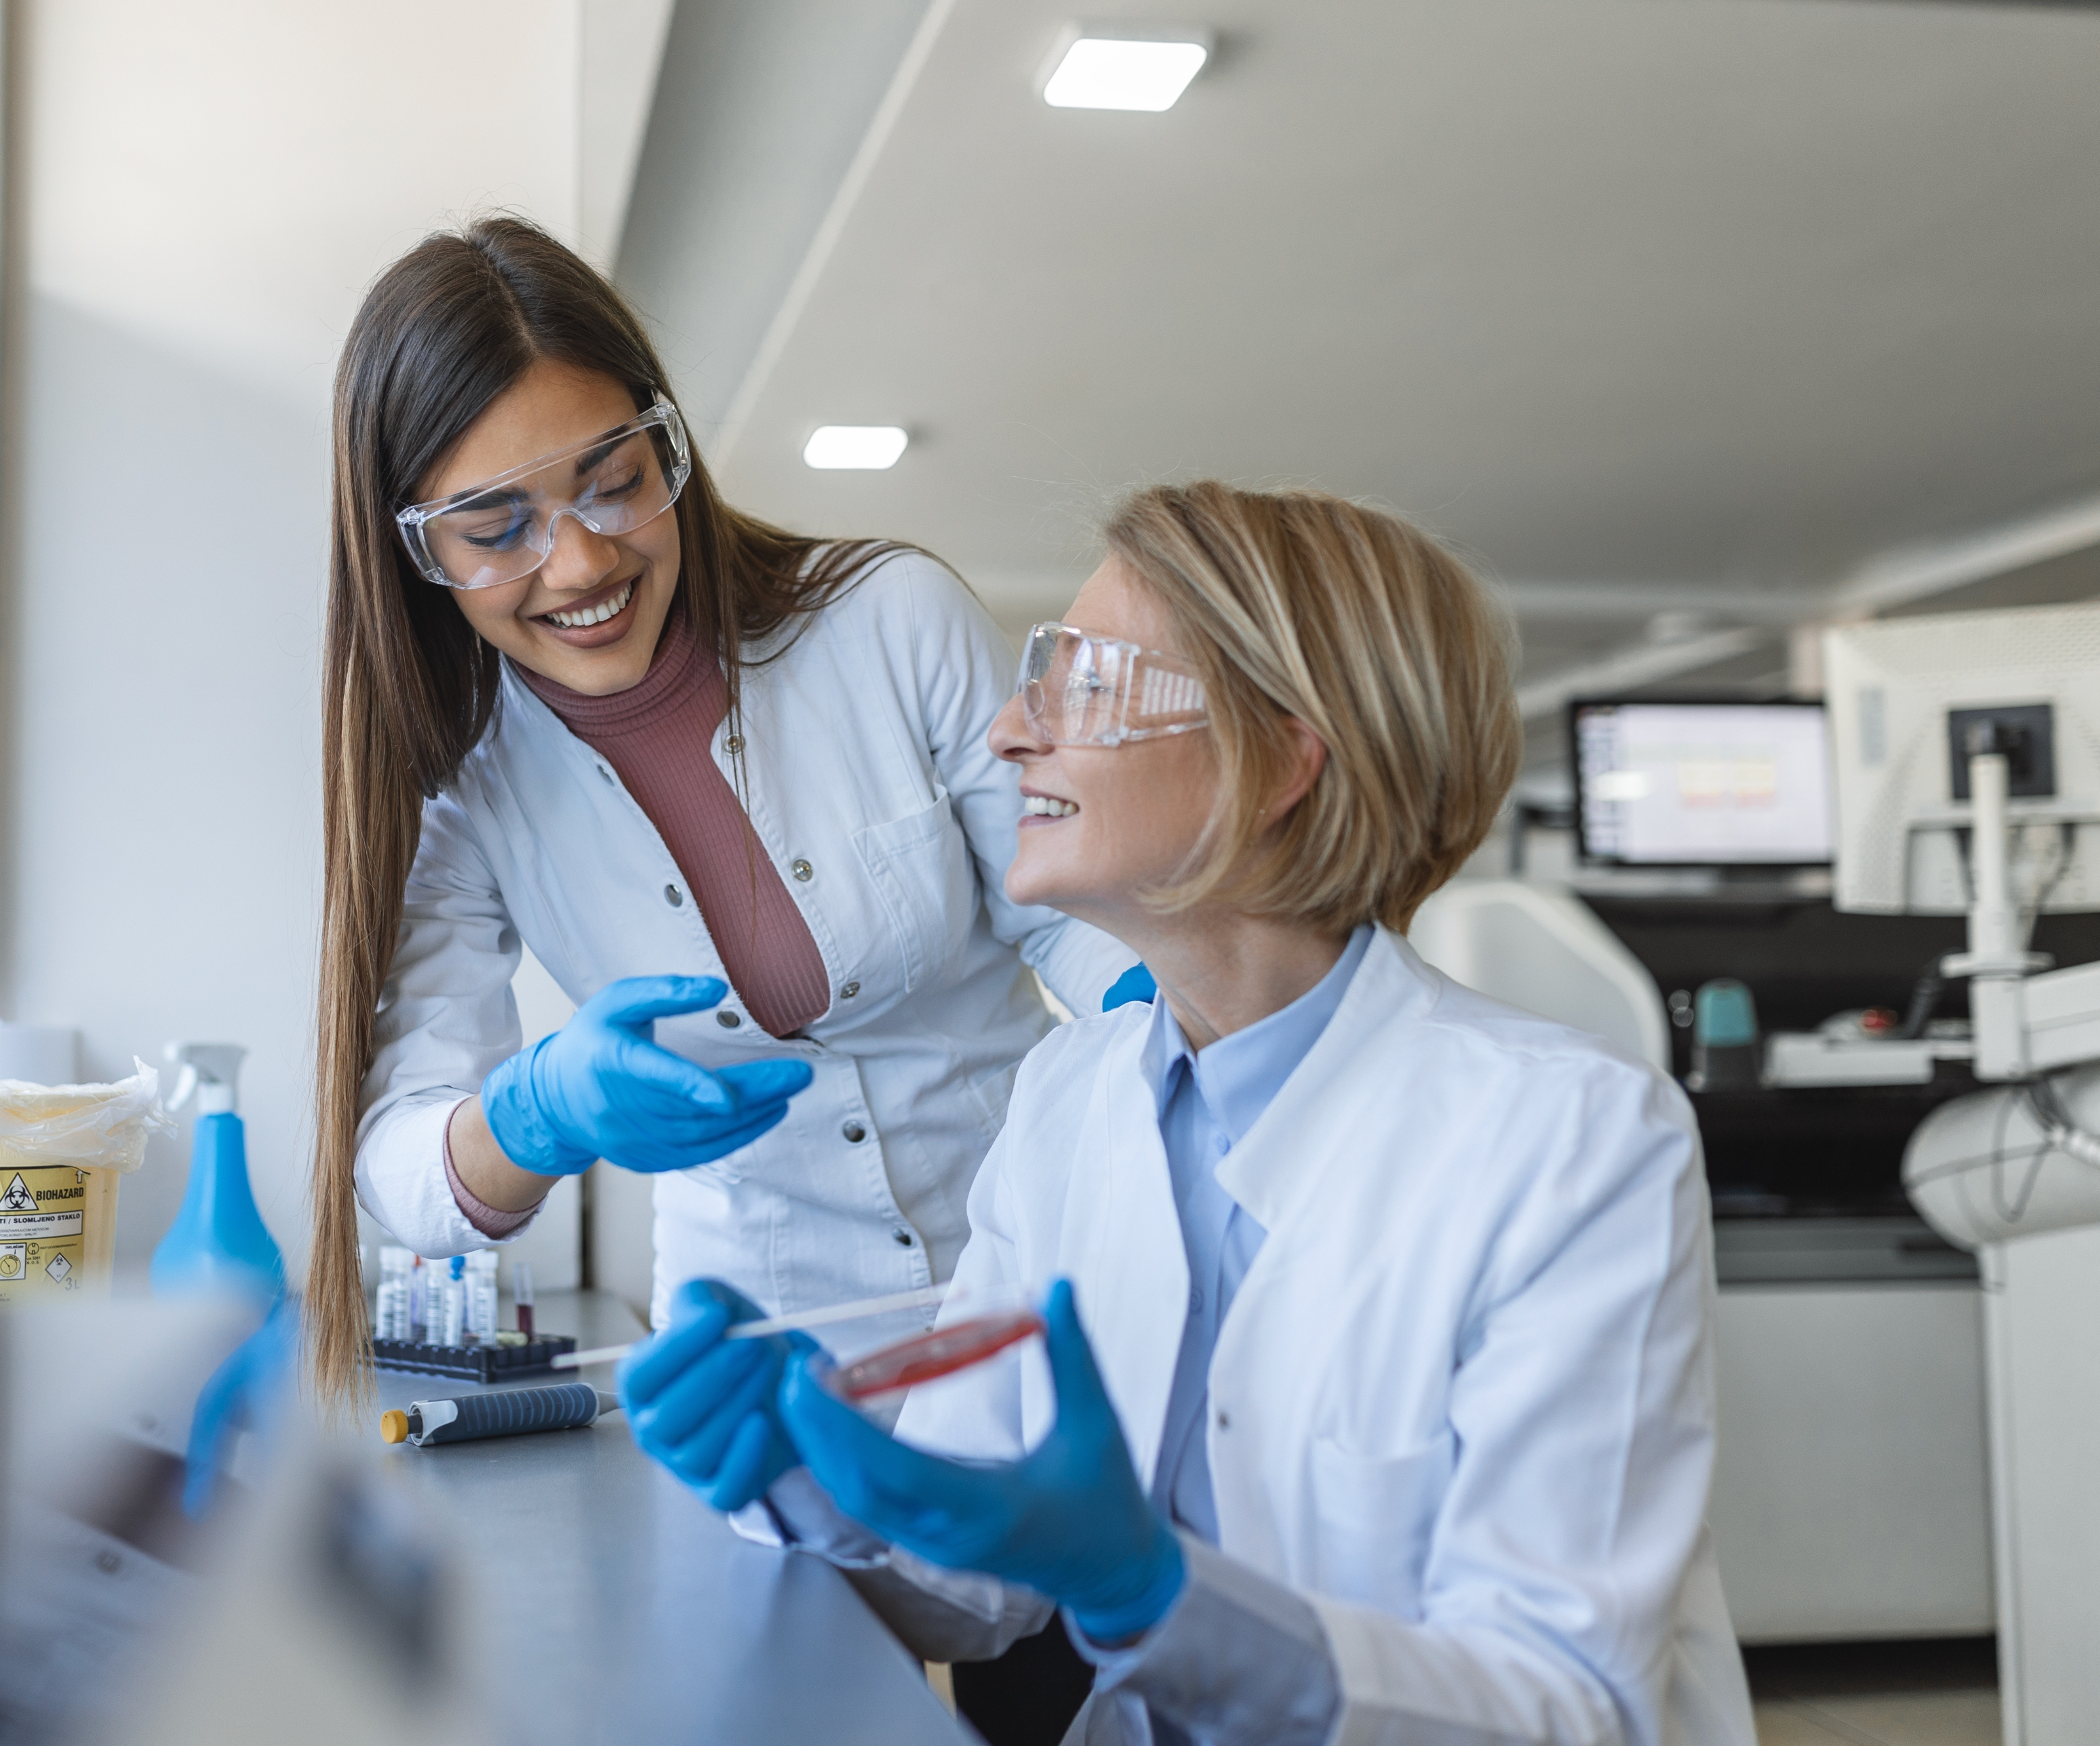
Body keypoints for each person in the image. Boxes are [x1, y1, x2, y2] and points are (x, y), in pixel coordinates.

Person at [621, 483, 1753, 1744]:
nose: (1005, 733)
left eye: (1080, 682)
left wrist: (1153, 1596)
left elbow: (1567, 1707)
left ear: (1278, 759)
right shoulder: (1068, 1095)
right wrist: (824, 1485)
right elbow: (980, 1594)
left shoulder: (1573, 1139)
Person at [307, 217, 1135, 1405]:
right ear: (413, 553)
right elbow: (402, 1161)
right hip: (768, 1355)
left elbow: (1075, 912)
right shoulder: (459, 784)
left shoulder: (889, 619)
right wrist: (538, 1115)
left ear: (670, 450)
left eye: (615, 484)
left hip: (1047, 1278)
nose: (582, 563)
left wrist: (1191, 1012)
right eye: (497, 530)